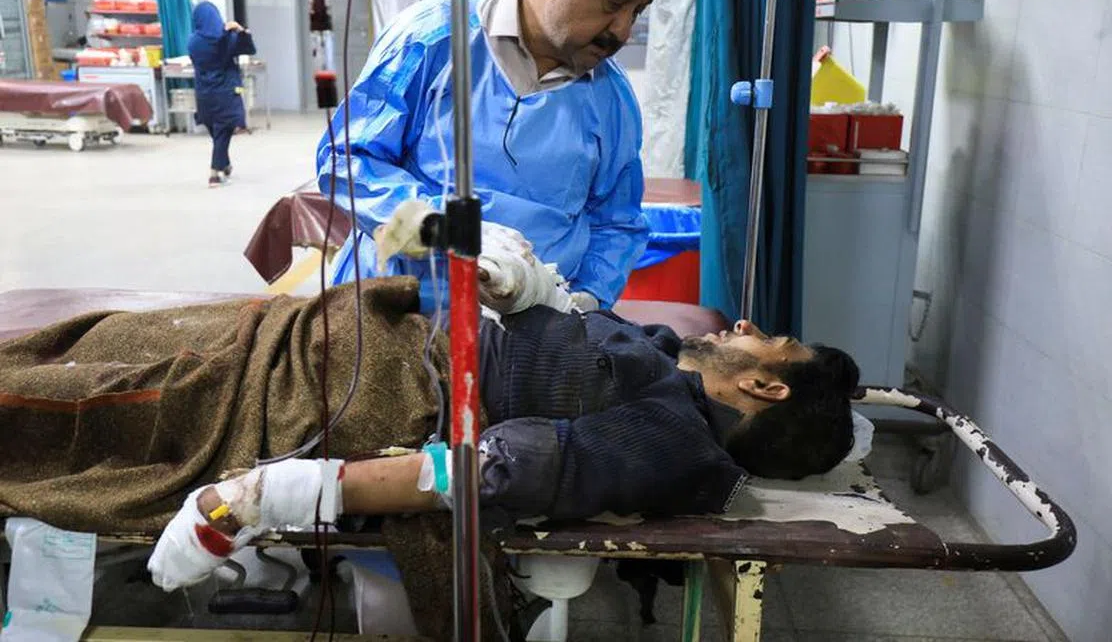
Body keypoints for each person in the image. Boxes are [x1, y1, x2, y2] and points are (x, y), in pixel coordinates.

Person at [0, 274, 858, 592]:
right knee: (102, 338)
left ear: (763, 385)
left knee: (87, 407)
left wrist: (267, 492)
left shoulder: (673, 441)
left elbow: (494, 472)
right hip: (362, 331)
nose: (743, 323)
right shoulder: (667, 359)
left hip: (360, 387)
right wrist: (527, 287)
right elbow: (570, 329)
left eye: (764, 337)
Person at [316, 0, 675, 310]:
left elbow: (618, 222)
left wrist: (586, 300)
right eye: (614, 4)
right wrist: (448, 229)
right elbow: (348, 161)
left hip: (531, 326)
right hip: (403, 307)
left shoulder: (611, 101)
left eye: (638, 11)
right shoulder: (431, 43)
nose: (623, 31)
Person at [188, 1, 256, 188]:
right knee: (223, 133)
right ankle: (214, 174)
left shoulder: (193, 42)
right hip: (225, 93)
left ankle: (224, 164)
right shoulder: (226, 39)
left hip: (204, 95)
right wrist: (240, 31)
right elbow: (249, 49)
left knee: (217, 133)